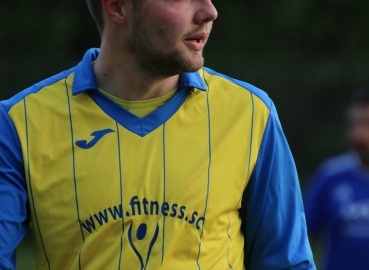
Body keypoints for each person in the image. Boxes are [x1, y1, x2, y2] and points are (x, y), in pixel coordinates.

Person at [0, 0, 315, 269]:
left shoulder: (251, 113)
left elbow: (287, 262)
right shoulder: (19, 122)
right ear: (118, 7)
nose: (210, 11)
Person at [304, 90, 369, 270]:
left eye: (366, 124)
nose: (358, 135)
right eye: (353, 125)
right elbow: (303, 240)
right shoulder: (330, 176)